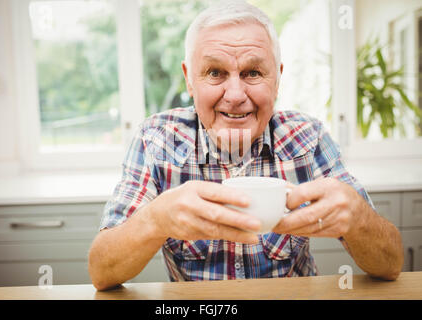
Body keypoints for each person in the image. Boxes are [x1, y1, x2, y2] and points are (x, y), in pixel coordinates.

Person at [88, 1, 404, 291]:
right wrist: (154, 220)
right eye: (215, 72)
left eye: (253, 72)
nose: (236, 95)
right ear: (189, 79)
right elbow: (102, 272)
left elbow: (390, 265)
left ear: (277, 79)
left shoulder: (308, 139)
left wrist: (359, 219)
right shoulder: (156, 140)